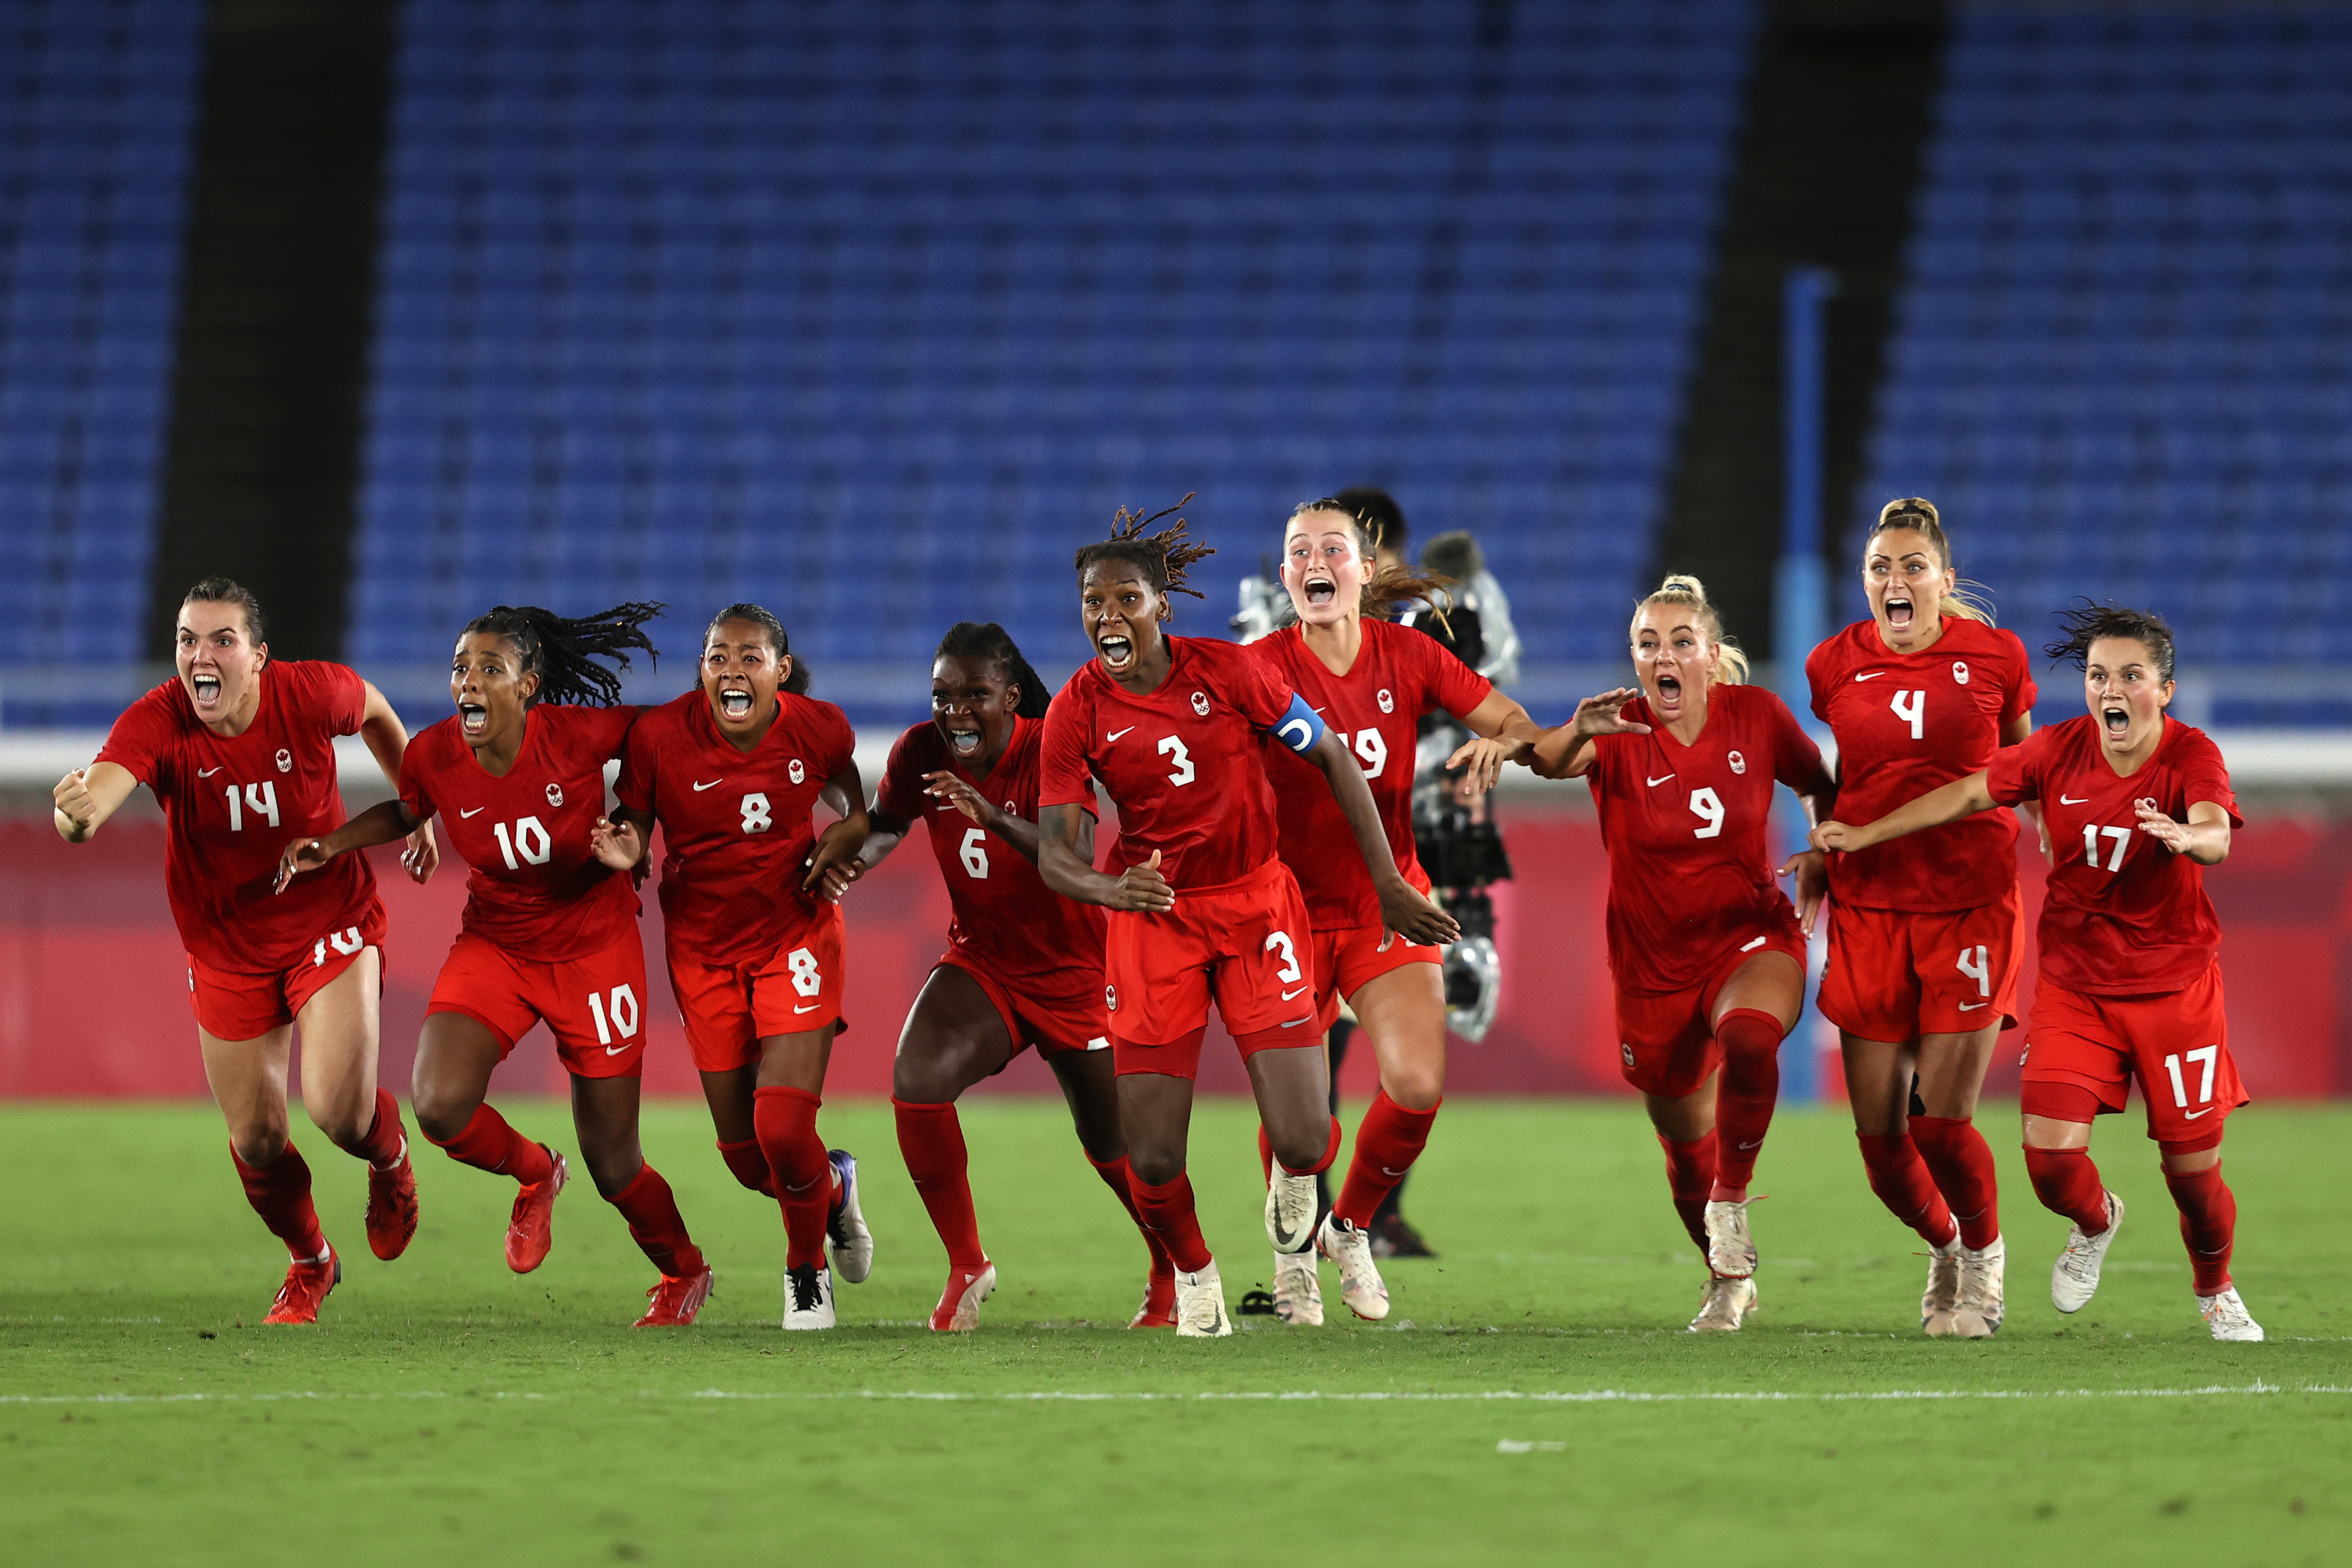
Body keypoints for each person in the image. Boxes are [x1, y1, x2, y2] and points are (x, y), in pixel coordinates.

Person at [1033, 502, 1459, 1337]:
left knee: (1305, 1139)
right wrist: (1105, 888)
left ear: (1160, 605)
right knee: (1152, 1156)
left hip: (1259, 904)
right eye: (1093, 602)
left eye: (1125, 599)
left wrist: (1388, 881)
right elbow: (1057, 852)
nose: (1107, 616)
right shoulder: (1074, 712)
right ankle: (1195, 1275)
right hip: (1155, 920)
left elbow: (1332, 753)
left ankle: (1309, 1211)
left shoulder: (1230, 673)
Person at [1813, 604, 2261, 1340]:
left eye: (2130, 676)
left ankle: (2215, 1288)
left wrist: (2188, 836)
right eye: (2096, 676)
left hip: (2174, 990)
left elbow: (2215, 831)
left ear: (2164, 689)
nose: (2110, 689)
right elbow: (1963, 792)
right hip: (2076, 987)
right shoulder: (2055, 751)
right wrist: (1863, 833)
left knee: (2193, 1178)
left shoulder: (2190, 756)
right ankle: (2096, 1221)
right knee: (2050, 1166)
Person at [279, 603, 713, 1328]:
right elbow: (408, 806)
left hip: (593, 950)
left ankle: (684, 1271)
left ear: (529, 685)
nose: (469, 684)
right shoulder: (433, 754)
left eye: (490, 670)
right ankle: (536, 1173)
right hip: (497, 943)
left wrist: (635, 825)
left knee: (614, 1163)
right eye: (460, 669)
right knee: (440, 1104)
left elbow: (664, 733)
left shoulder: (579, 735)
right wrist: (336, 842)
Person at [55, 577, 435, 1324]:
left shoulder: (312, 693)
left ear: (258, 656)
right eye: (188, 640)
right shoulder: (158, 720)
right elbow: (102, 788)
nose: (202, 655)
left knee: (335, 1110)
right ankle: (311, 1263)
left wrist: (413, 800)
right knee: (258, 1140)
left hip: (329, 921)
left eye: (222, 640)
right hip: (226, 947)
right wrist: (78, 815)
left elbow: (380, 711)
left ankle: (389, 1161)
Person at [1245, 499, 1542, 1324]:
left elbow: (1510, 717)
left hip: (1391, 904)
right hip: (1287, 915)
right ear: (1284, 577)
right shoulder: (1257, 668)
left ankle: (1351, 1229)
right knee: (1299, 1117)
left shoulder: (1408, 654)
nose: (1316, 562)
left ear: (1364, 571)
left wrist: (1505, 739)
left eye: (1333, 549)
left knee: (1415, 1085)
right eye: (1298, 550)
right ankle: (1291, 1261)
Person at [845, 621, 1174, 1331]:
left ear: (1012, 698)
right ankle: (966, 1263)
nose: (954, 710)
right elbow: (886, 824)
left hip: (1077, 970)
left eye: (974, 695)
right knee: (916, 1083)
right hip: (985, 961)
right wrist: (845, 866)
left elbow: (1075, 857)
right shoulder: (918, 750)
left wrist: (991, 816)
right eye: (942, 695)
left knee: (1114, 1147)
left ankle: (1169, 1266)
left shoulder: (1052, 746)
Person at [1533, 576, 1835, 1331]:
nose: (1661, 655)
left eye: (1678, 642)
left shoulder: (1756, 715)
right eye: (1646, 643)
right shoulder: (1617, 729)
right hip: (1651, 963)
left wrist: (1823, 847)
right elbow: (1543, 763)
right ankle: (1724, 1277)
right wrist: (1578, 730)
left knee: (1749, 1036)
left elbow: (1818, 783)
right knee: (1681, 1138)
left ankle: (1731, 1201)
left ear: (1708, 655)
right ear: (1634, 659)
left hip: (1748, 934)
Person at [591, 604, 874, 1330]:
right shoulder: (658, 737)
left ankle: (804, 1272)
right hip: (703, 952)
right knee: (749, 1160)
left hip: (796, 936)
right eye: (718, 656)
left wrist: (850, 829)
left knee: (782, 1129)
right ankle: (836, 1189)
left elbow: (849, 792)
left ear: (781, 672)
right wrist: (628, 851)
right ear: (702, 668)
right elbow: (636, 823)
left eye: (750, 657)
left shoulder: (819, 726)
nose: (732, 670)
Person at [1805, 498, 2039, 1338]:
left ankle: (1985, 1260)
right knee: (1879, 1146)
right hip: (1869, 908)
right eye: (1880, 568)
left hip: (1969, 906)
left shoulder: (1997, 655)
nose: (1894, 581)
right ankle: (1944, 1242)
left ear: (1944, 577)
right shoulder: (1832, 663)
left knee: (1941, 1123)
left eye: (1911, 566)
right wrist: (1819, 846)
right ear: (1864, 582)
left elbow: (2019, 763)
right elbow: (1844, 774)